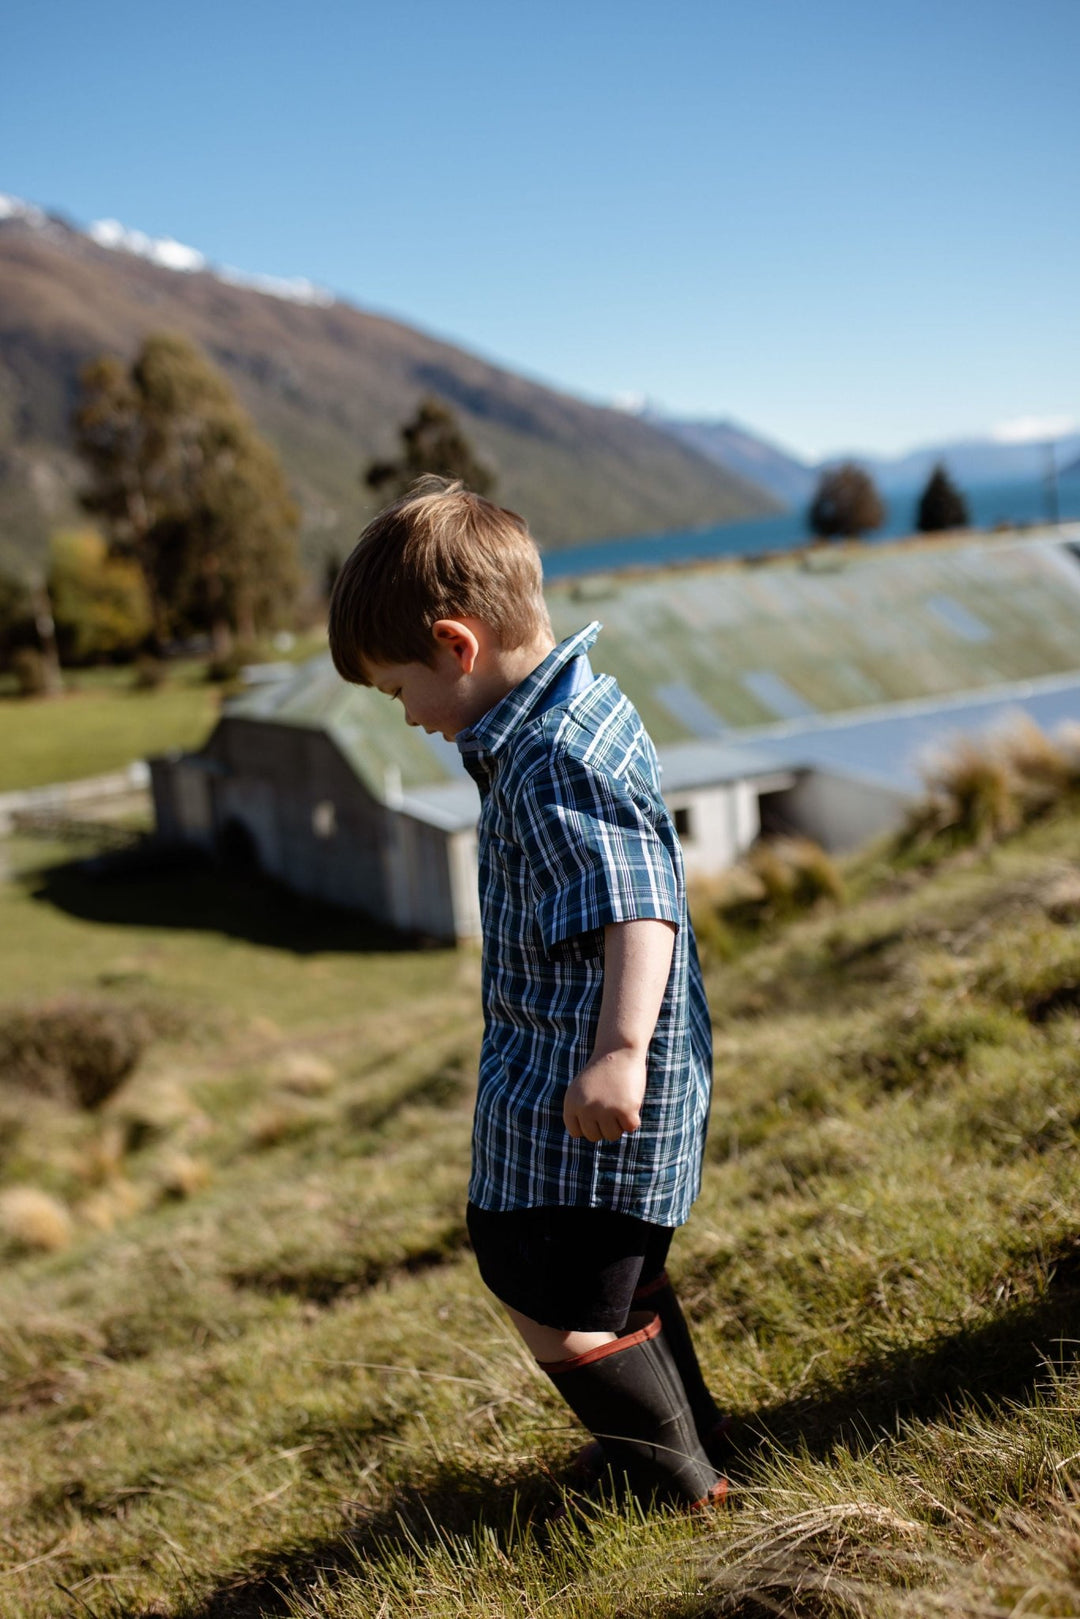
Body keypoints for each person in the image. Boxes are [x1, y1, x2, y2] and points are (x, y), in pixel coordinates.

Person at [328, 477, 727, 1508]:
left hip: (585, 1090)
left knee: (547, 1296)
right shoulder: (575, 706)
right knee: (610, 1282)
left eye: (397, 689)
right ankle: (691, 1437)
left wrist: (619, 1052)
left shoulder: (553, 760)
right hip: (586, 1082)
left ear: (456, 646)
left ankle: (674, 1480)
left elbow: (638, 905)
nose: (407, 715)